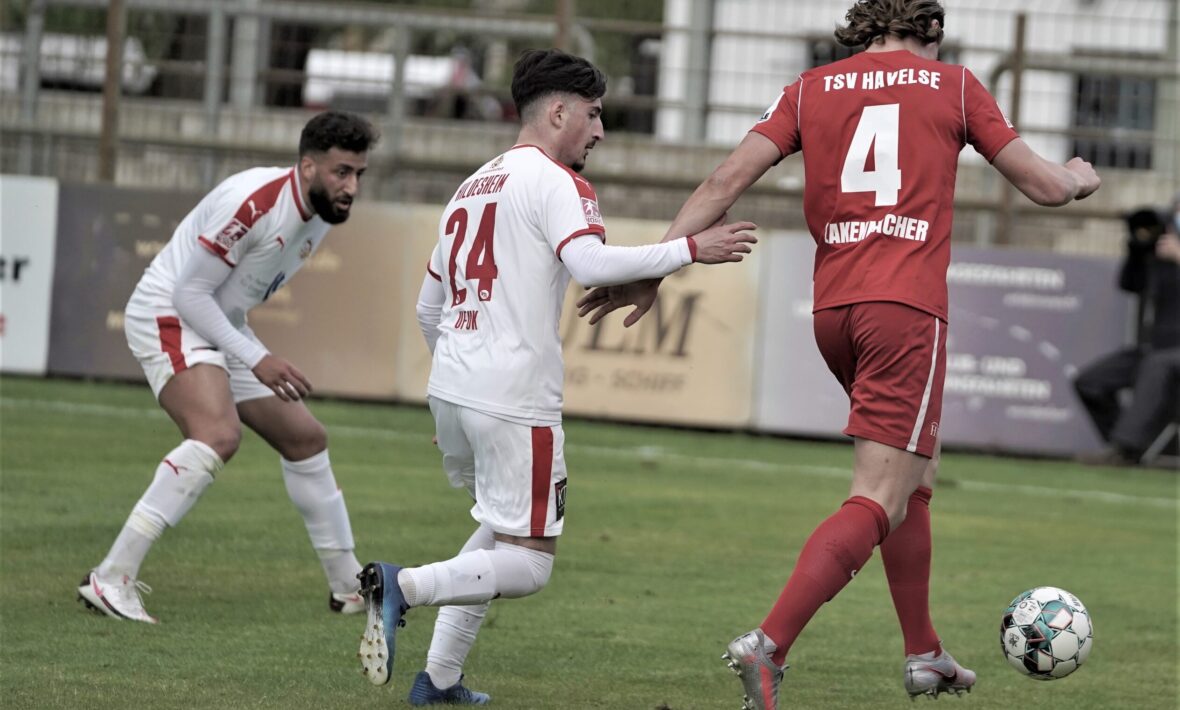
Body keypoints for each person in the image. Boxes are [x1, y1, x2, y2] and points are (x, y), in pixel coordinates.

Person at [576, 1, 1100, 707]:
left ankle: (924, 652)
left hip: (834, 311)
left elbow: (723, 182)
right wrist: (1079, 174)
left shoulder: (809, 88)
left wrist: (656, 267)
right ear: (932, 27)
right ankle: (769, 645)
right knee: (878, 494)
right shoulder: (954, 85)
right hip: (904, 308)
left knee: (913, 476)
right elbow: (1046, 187)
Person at [353, 48, 757, 705]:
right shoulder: (557, 181)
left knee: (498, 527)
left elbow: (430, 308)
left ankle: (440, 681)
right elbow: (590, 265)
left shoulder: (470, 187)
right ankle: (404, 586)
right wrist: (690, 248)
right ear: (559, 111)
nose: (600, 130)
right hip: (514, 395)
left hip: (454, 389)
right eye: (593, 115)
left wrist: (457, 385)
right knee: (531, 562)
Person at [77, 111, 380, 623]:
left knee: (305, 438)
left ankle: (348, 587)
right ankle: (112, 578)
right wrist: (257, 358)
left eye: (358, 174)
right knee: (218, 435)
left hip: (218, 320)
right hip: (169, 312)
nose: (351, 187)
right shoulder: (255, 202)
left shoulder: (323, 213)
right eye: (341, 172)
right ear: (308, 167)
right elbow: (188, 294)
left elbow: (225, 300)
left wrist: (247, 349)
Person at [1075, 196, 1180, 465]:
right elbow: (1129, 285)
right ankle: (1125, 449)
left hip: (1169, 357)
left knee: (1156, 365)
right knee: (1090, 381)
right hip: (1155, 350)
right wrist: (1137, 248)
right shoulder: (1160, 254)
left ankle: (1125, 448)